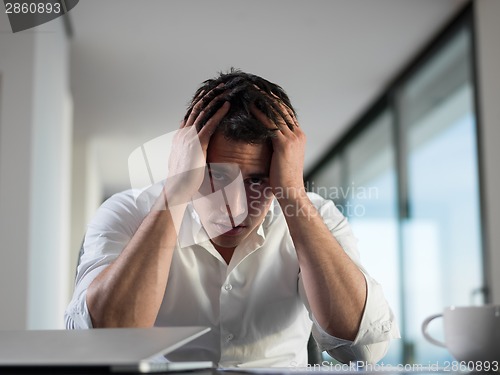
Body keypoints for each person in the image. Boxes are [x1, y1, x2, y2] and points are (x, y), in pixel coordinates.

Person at [65, 69, 399, 367]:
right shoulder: (127, 212)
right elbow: (101, 344)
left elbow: (364, 350)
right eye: (217, 177)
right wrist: (176, 192)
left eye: (258, 180)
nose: (234, 207)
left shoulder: (315, 214)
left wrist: (292, 194)